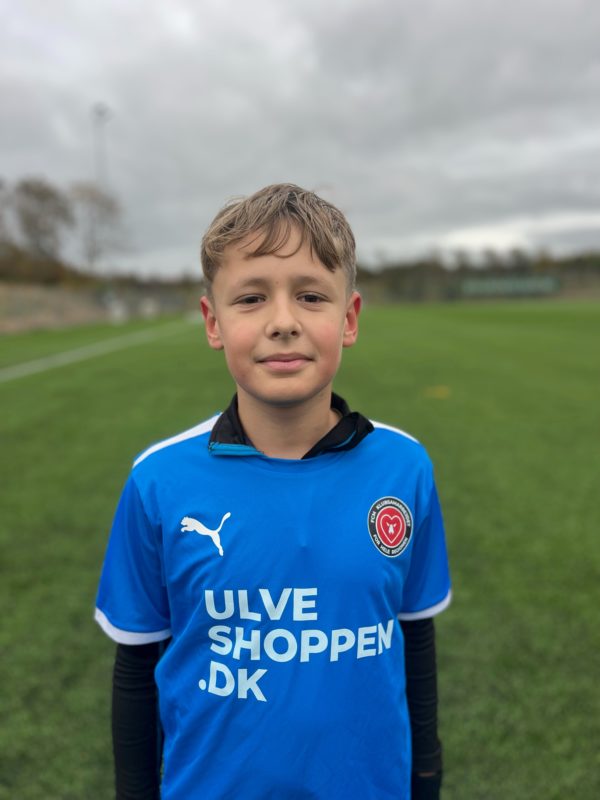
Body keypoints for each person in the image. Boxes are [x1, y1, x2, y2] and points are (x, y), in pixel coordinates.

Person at [95, 183, 452, 800]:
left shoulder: (404, 467)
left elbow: (414, 639)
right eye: (251, 298)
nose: (283, 322)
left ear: (349, 318)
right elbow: (137, 665)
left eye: (311, 296)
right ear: (214, 322)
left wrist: (426, 778)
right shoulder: (158, 479)